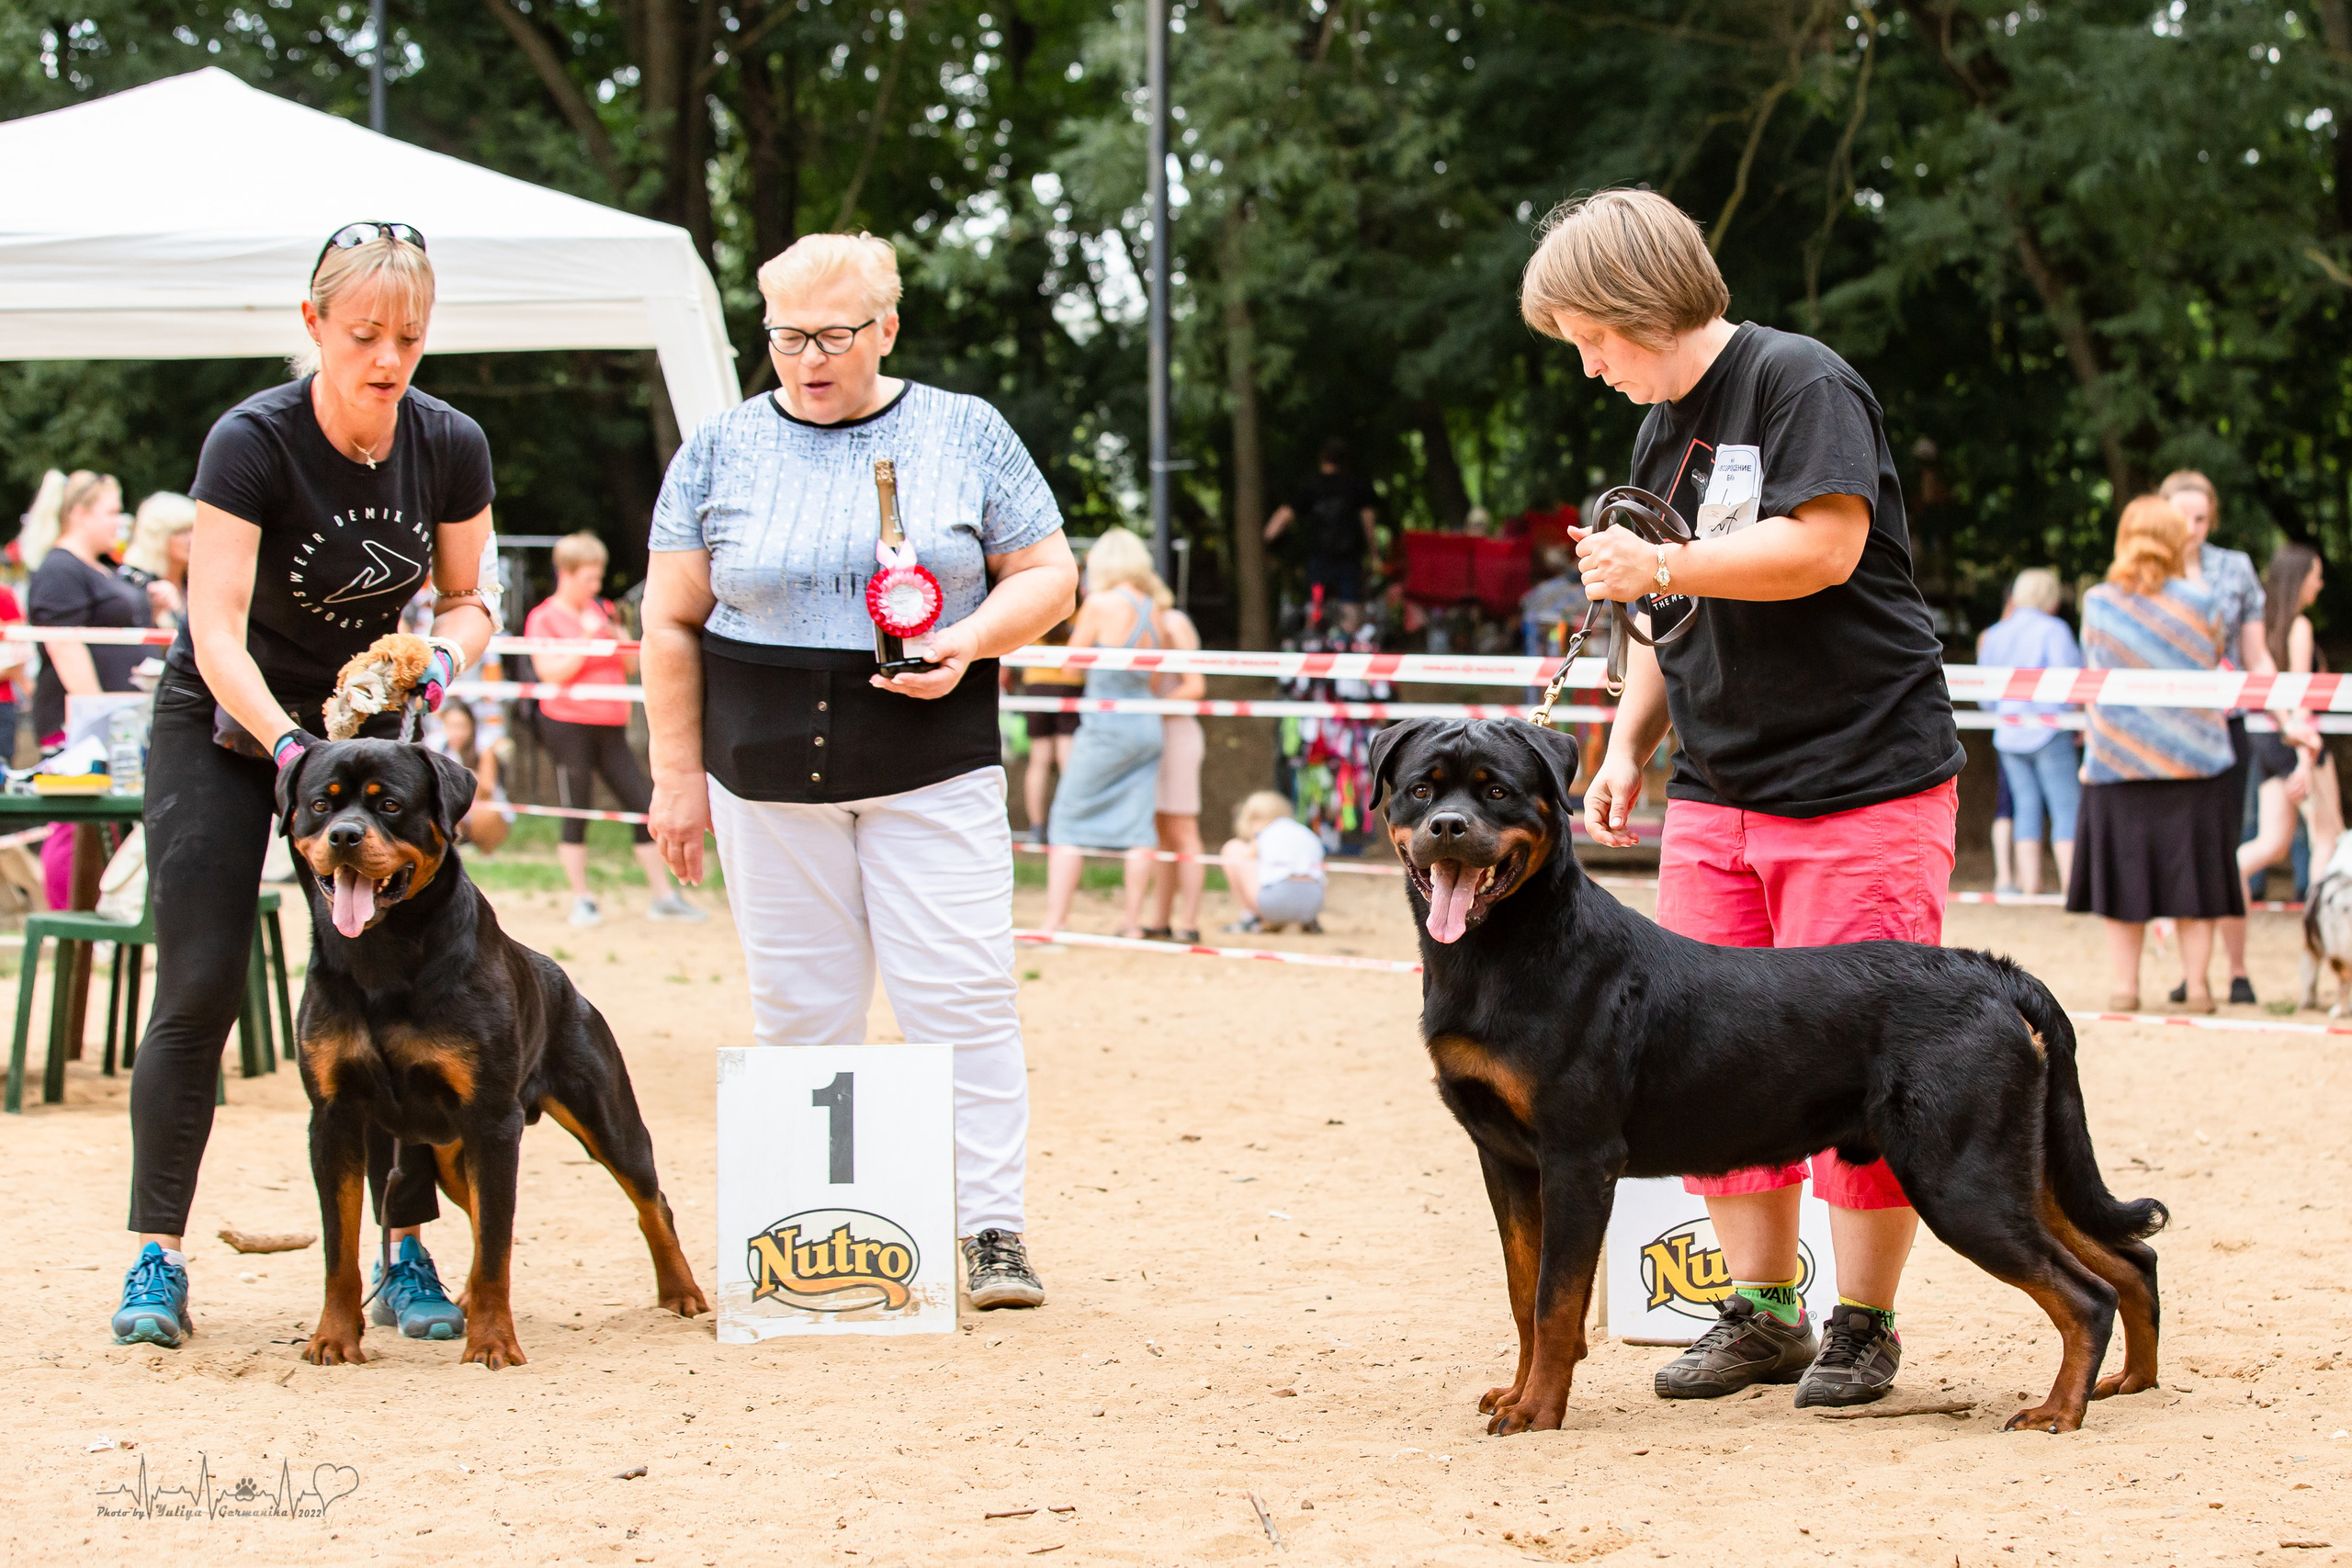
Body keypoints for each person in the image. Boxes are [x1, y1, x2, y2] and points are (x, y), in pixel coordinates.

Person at [1529, 189, 1964, 1408]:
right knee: (1712, 1061)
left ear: (1635, 304)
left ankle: (1864, 1323)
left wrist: (1659, 560)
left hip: (1863, 777)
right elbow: (1672, 618)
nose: (1588, 365)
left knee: (1870, 1065)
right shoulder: (1660, 428)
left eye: (1589, 338)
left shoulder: (1800, 382)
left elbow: (1823, 546)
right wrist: (1627, 748)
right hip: (1717, 790)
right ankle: (1763, 1310)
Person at [641, 231, 1077, 1311]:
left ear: (886, 327)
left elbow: (1051, 575)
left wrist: (969, 638)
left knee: (962, 996)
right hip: (762, 773)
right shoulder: (716, 450)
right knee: (797, 1006)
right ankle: (812, 1225)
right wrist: (675, 775)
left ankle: (990, 1230)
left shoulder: (967, 429)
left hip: (934, 760)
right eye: (786, 337)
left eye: (833, 336)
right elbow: (668, 617)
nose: (807, 358)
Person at [110, 222, 499, 1352]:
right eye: (365, 334)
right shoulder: (252, 440)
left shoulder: (449, 441)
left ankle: (405, 1253)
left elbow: (470, 597)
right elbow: (214, 628)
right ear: (314, 324)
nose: (388, 359)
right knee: (199, 985)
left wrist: (445, 655)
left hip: (367, 735)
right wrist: (289, 751)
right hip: (231, 730)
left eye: (410, 338)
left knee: (399, 998)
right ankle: (155, 1259)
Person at [2064, 496, 2241, 1012]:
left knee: (2125, 879)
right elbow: (2213, 657)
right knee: (2198, 881)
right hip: (2195, 763)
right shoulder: (2203, 601)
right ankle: (2200, 987)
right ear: (2176, 540)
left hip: (2118, 762)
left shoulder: (2098, 601)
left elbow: (2093, 666)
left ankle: (2126, 988)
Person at [2157, 470, 2306, 1006]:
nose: (2192, 528)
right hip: (2166, 732)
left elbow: (2257, 656)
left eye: (2201, 518)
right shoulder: (2147, 568)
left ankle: (2237, 970)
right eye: (2182, 517)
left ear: (2212, 519)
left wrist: (2288, 716)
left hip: (2227, 727)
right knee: (2181, 853)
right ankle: (2190, 973)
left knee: (2225, 851)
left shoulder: (2235, 569)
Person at [522, 531, 703, 927]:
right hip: (568, 724)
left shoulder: (601, 610)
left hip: (611, 724)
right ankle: (582, 898)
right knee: (577, 808)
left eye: (597, 577)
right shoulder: (544, 617)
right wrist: (587, 638)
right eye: (588, 577)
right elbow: (550, 673)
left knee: (641, 805)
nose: (596, 586)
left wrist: (620, 638)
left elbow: (634, 666)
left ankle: (664, 896)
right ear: (566, 575)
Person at [25, 470, 153, 912]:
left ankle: (103, 911)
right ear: (78, 514)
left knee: (107, 824)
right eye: (111, 513)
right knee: (72, 824)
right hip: (78, 719)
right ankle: (70, 919)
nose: (119, 523)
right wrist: (98, 714)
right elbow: (63, 644)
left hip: (120, 718)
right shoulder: (60, 568)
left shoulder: (107, 565)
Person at [1039, 529, 1170, 938]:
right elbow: (1155, 678)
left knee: (1065, 820)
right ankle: (1131, 923)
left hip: (1107, 725)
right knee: (1138, 828)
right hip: (1147, 725)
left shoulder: (1099, 603)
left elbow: (1071, 667)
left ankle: (1056, 922)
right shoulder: (1155, 609)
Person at [2239, 544, 2340, 900]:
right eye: (2316, 576)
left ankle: (2205, 888)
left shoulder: (2262, 629)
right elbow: (2299, 698)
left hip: (2266, 741)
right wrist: (2304, 758)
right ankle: (2320, 932)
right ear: (2300, 580)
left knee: (2271, 844)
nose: (2320, 584)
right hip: (2299, 741)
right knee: (2328, 837)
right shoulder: (2299, 627)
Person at [1977, 569, 2083, 898]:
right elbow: (2071, 684)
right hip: (2049, 731)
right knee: (2066, 807)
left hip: (2008, 733)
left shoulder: (1994, 634)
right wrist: (2076, 718)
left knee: (2025, 807)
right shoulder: (2055, 631)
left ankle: (2030, 884)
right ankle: (2072, 886)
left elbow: (1985, 696)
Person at [1141, 602, 1207, 943]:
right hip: (1156, 735)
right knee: (1161, 831)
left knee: (1183, 828)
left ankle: (1189, 921)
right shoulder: (1147, 623)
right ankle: (1159, 919)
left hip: (1178, 734)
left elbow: (1195, 686)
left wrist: (1145, 710)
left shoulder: (1172, 622)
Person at [1264, 439, 1378, 632]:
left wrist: (1266, 538)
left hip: (1320, 556)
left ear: (1322, 459)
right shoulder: (1354, 486)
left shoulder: (1311, 486)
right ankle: (1345, 645)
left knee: (1315, 605)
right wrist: (1374, 552)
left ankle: (1312, 642)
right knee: (1349, 606)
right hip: (1348, 556)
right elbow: (1368, 520)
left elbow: (1284, 515)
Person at [1014, 617, 1084, 842]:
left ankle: (1037, 827)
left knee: (1039, 760)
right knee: (1067, 759)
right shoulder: (1079, 611)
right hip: (1070, 684)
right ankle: (1069, 826)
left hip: (1037, 684)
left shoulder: (1038, 605)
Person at [1219, 789, 1326, 933]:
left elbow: (1248, 859)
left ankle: (1250, 917)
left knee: (1233, 849)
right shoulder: (1305, 832)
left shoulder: (1263, 834)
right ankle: (1309, 922)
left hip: (1275, 903)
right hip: (1314, 904)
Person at [430, 697, 513, 852]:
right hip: (453, 808)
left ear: (472, 726)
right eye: (452, 726)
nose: (457, 732)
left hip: (480, 808)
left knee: (486, 814)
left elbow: (486, 790)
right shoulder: (437, 747)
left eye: (461, 726)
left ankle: (486, 849)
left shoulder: (483, 747)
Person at [121, 491, 197, 629]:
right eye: (180, 532)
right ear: (157, 537)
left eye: (194, 530)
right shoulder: (134, 583)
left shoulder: (196, 583)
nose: (191, 539)